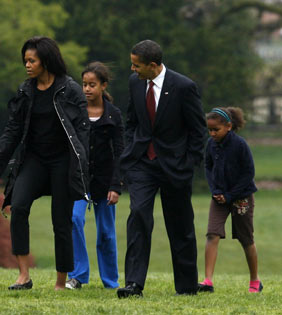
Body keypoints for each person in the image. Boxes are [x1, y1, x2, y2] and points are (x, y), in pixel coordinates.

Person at [0, 36, 90, 291]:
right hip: (33, 160)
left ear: (46, 61)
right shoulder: (26, 91)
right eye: (25, 60)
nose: (27, 65)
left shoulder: (70, 90)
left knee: (61, 220)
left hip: (62, 162)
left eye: (31, 60)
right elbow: (12, 131)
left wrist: (83, 169)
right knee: (18, 207)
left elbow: (82, 135)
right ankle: (23, 276)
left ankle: (61, 282)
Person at [117, 39, 206, 298]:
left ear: (153, 66)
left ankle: (187, 286)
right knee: (138, 217)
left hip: (175, 166)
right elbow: (132, 121)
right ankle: (134, 284)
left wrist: (189, 164)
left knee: (180, 226)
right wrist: (130, 151)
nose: (132, 69)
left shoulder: (184, 87)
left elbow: (198, 131)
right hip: (143, 164)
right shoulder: (135, 83)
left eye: (137, 65)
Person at [65, 62, 124, 290]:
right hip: (79, 180)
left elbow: (120, 152)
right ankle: (78, 275)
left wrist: (116, 185)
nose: (87, 89)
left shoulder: (114, 115)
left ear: (103, 85)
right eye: (84, 85)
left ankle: (111, 281)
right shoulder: (75, 113)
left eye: (92, 85)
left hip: (106, 182)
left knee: (106, 234)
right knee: (74, 220)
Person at [198, 107, 261, 293]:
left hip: (241, 198)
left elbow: (249, 173)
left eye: (215, 129)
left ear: (228, 126)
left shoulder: (240, 145)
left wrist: (230, 195)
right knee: (212, 234)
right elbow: (208, 166)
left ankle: (255, 281)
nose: (212, 133)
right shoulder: (211, 144)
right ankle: (207, 280)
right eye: (209, 130)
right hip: (219, 197)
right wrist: (215, 190)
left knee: (246, 238)